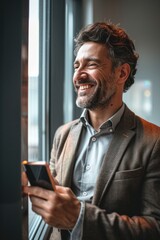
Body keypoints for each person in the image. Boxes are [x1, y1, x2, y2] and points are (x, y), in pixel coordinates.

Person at [23, 22, 160, 240]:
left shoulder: (154, 141)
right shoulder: (63, 135)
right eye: (77, 66)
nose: (78, 75)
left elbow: (154, 229)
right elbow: (55, 203)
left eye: (91, 64)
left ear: (122, 73)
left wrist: (78, 218)